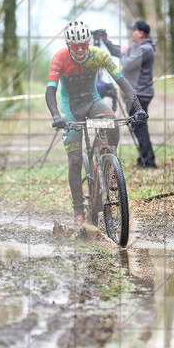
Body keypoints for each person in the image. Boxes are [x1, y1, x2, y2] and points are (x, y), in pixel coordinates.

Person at [46, 20, 147, 222]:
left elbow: (121, 80)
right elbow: (50, 91)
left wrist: (138, 107)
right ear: (68, 45)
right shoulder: (60, 58)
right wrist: (57, 116)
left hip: (92, 100)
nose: (81, 50)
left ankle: (109, 165)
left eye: (85, 44)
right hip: (69, 106)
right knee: (75, 160)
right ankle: (79, 213)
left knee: (112, 120)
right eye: (76, 46)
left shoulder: (98, 55)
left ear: (89, 41)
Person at [101, 20, 156, 168]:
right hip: (138, 93)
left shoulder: (145, 49)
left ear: (141, 33)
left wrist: (124, 53)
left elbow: (126, 64)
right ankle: (145, 158)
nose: (131, 32)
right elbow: (117, 52)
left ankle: (148, 161)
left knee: (140, 127)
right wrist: (106, 42)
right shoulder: (137, 48)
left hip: (140, 94)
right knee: (139, 127)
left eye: (134, 30)